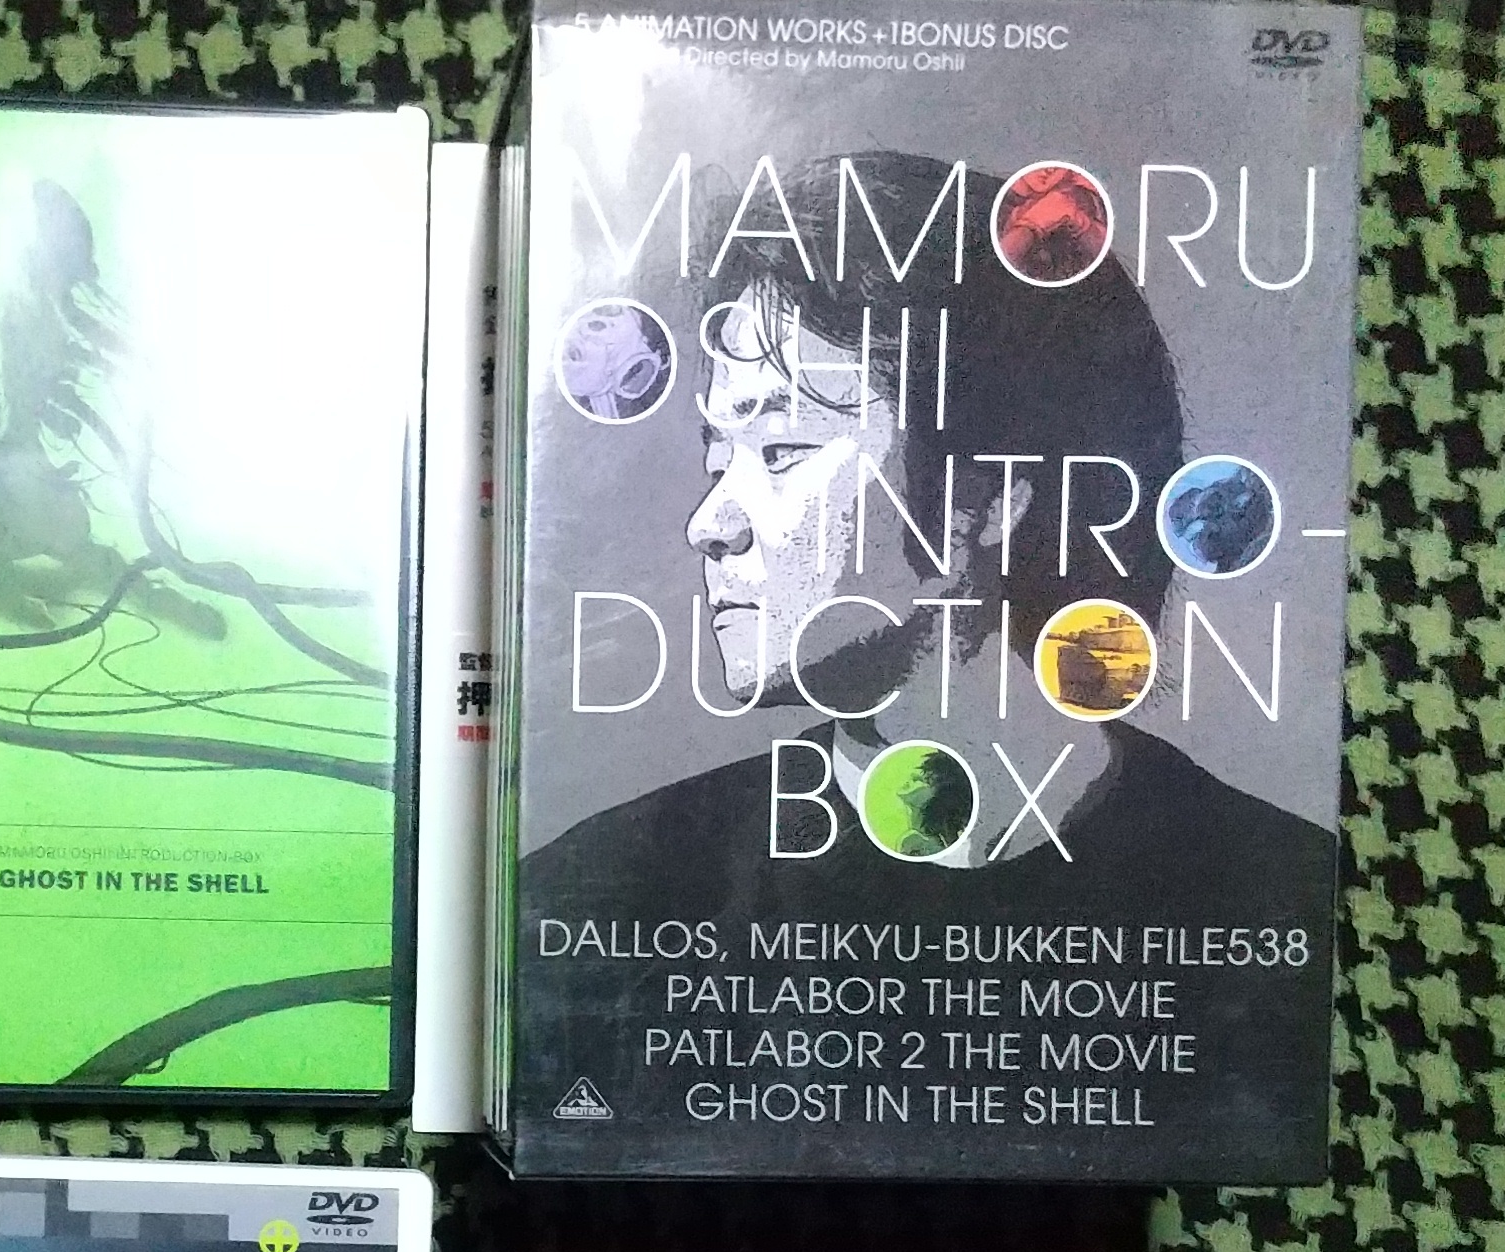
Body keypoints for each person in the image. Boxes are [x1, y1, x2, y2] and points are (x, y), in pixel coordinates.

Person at [517, 153, 1336, 1163]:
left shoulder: (1271, 904)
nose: (709, 523)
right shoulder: (596, 902)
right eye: (716, 456)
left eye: (781, 452)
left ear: (988, 498)